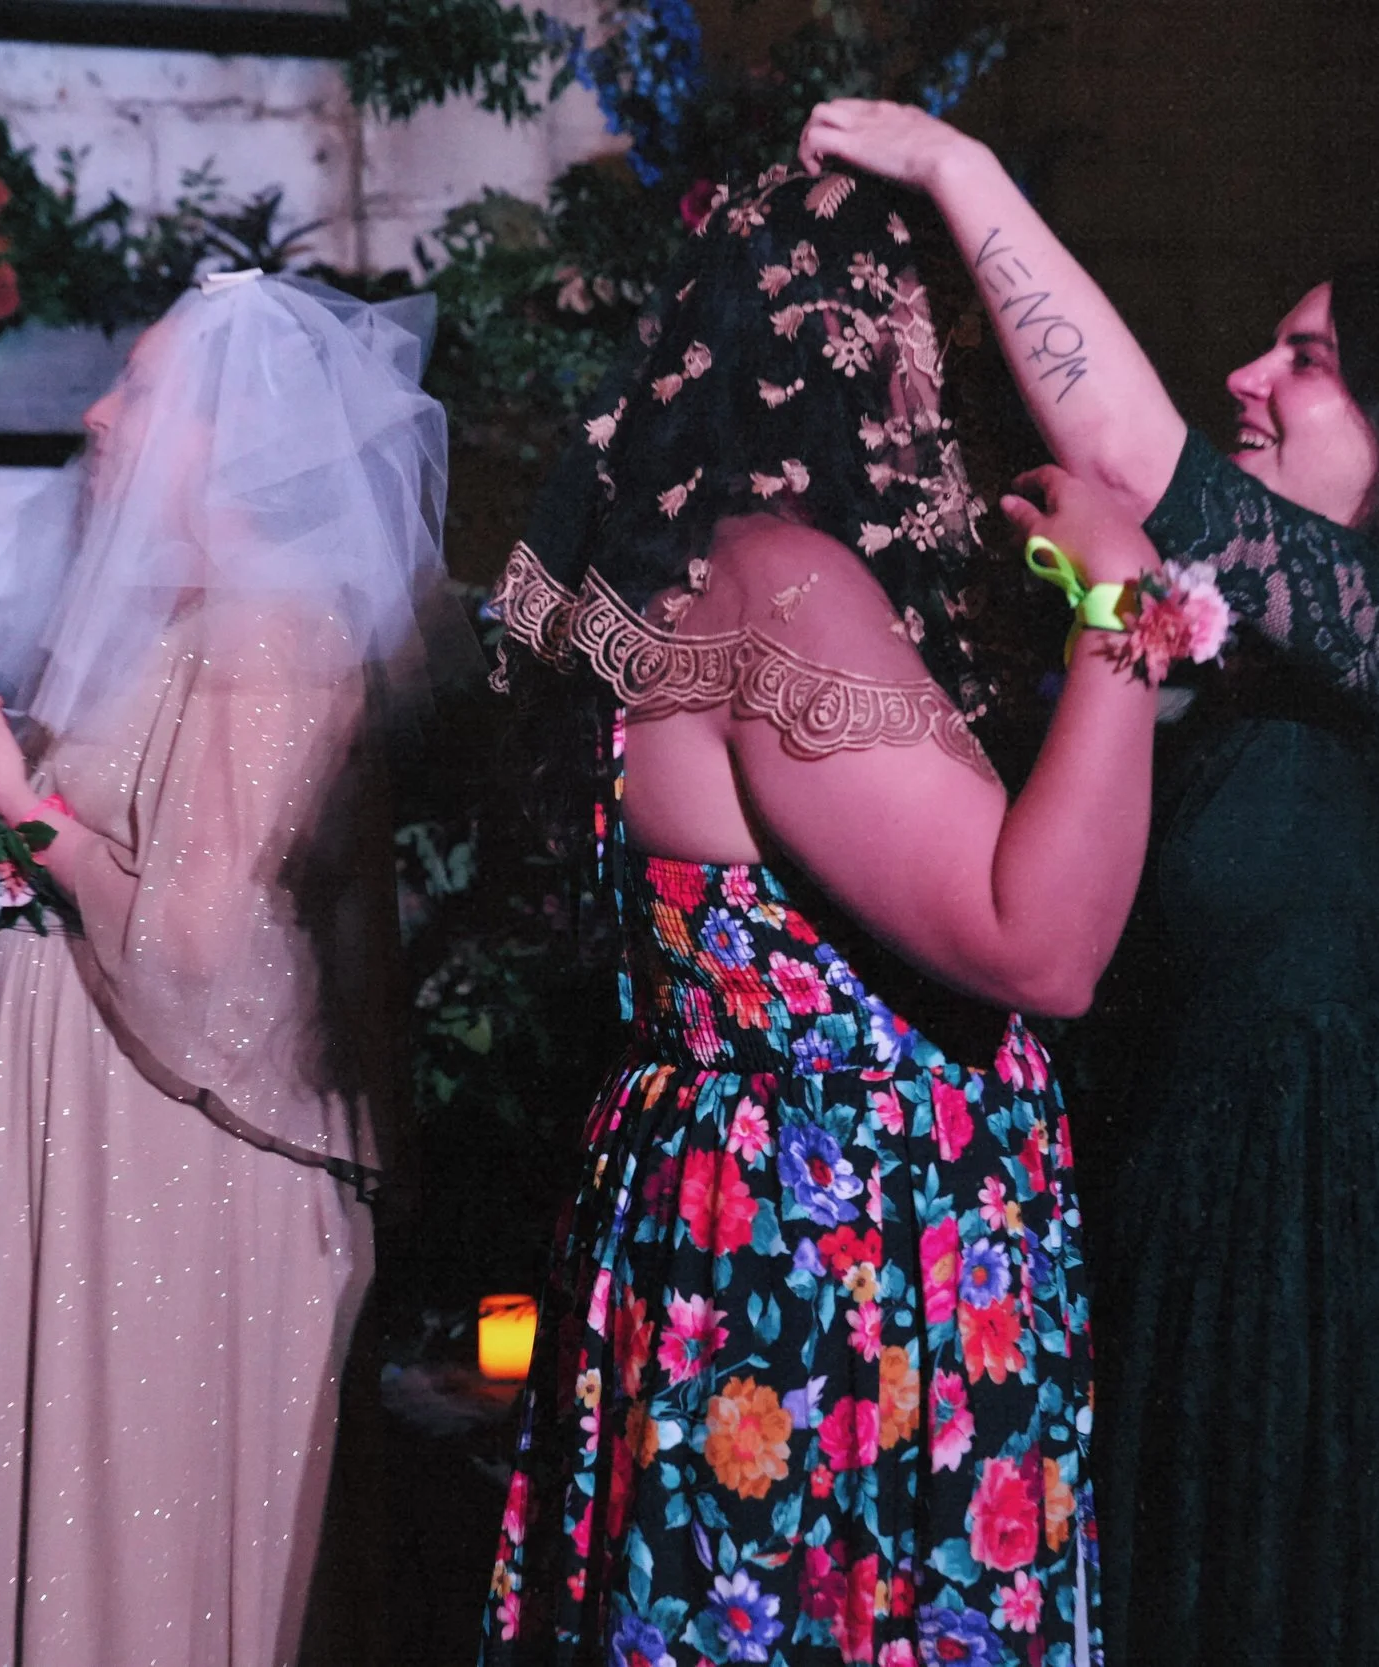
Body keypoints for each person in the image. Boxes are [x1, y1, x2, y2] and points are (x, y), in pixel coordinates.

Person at [808, 100, 1379, 1661]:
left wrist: (958, 168)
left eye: (1309, 358)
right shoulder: (1240, 671)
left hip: (1312, 1277)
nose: (1248, 375)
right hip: (1160, 1234)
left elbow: (1139, 462)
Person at [479, 162, 1176, 1667]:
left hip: (752, 1214)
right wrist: (1123, 614)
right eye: (940, 341)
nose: (955, 391)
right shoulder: (782, 587)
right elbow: (1041, 946)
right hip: (840, 1252)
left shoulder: (693, 575)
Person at [0, 270, 453, 1667]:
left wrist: (20, 803)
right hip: (101, 1134)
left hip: (186, 1164)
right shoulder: (167, 618)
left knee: (156, 1549)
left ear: (230, 433)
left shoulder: (277, 634)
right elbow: (94, 848)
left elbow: (197, 949)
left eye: (139, 389)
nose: (98, 411)